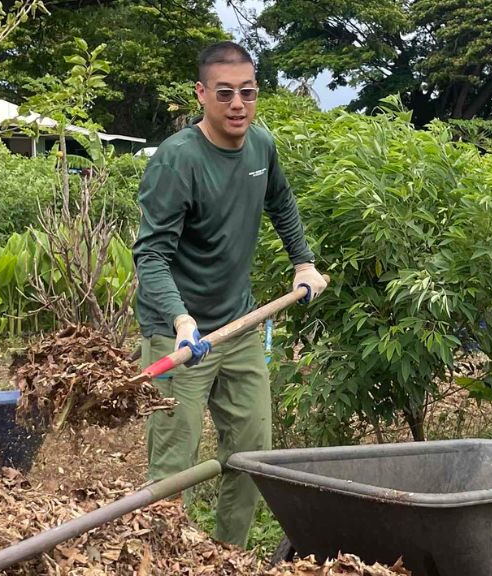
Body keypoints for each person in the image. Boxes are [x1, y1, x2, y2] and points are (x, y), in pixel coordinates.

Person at [131, 40, 329, 548]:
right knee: (174, 464)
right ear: (202, 94)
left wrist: (302, 262)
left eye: (248, 92)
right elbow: (150, 256)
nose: (238, 104)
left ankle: (228, 556)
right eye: (225, 94)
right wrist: (179, 320)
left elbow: (281, 203)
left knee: (251, 455)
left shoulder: (261, 146)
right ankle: (162, 556)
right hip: (180, 336)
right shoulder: (178, 161)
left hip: (237, 327)